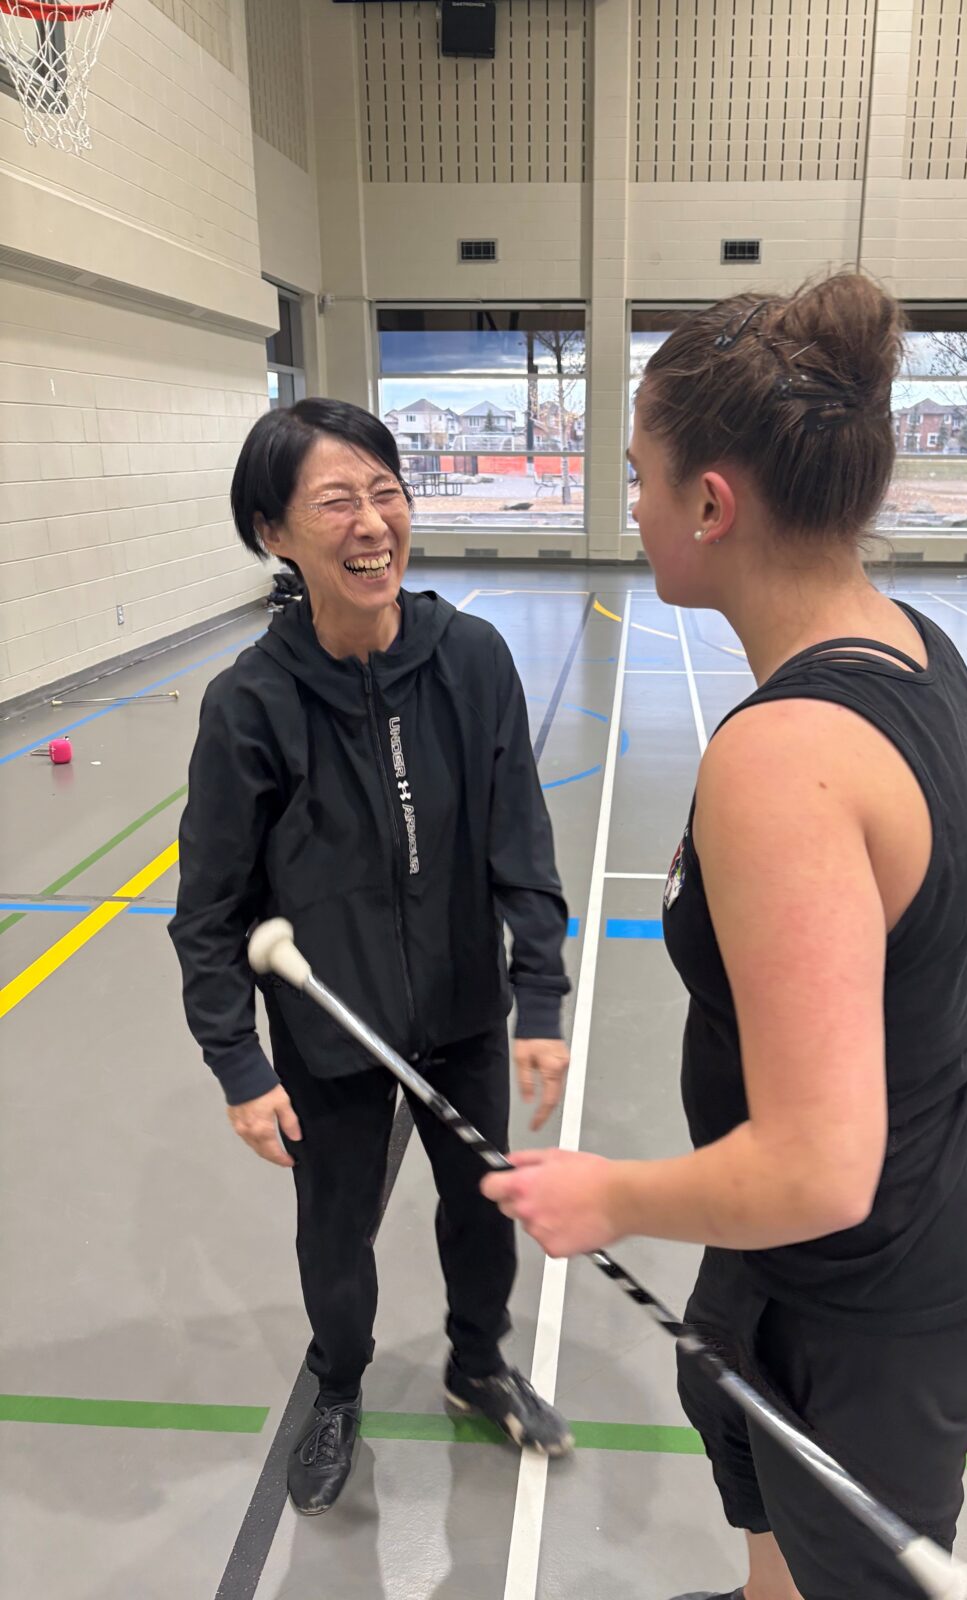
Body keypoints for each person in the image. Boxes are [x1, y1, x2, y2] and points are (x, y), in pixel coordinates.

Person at [483, 274, 967, 1600]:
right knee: (746, 1443)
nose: (632, 505)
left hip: (876, 1273)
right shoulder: (913, 645)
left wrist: (606, 1193)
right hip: (856, 1226)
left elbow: (819, 1168)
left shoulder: (784, 760)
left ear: (712, 505)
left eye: (640, 478)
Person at [169, 398, 574, 1517]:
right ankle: (339, 1382)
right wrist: (241, 1067)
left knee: (482, 1203)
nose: (372, 523)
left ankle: (477, 1360)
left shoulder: (471, 660)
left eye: (387, 493)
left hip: (459, 1007)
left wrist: (536, 989)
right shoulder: (248, 704)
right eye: (337, 501)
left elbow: (518, 840)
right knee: (336, 1230)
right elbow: (208, 911)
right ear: (274, 534)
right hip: (330, 1030)